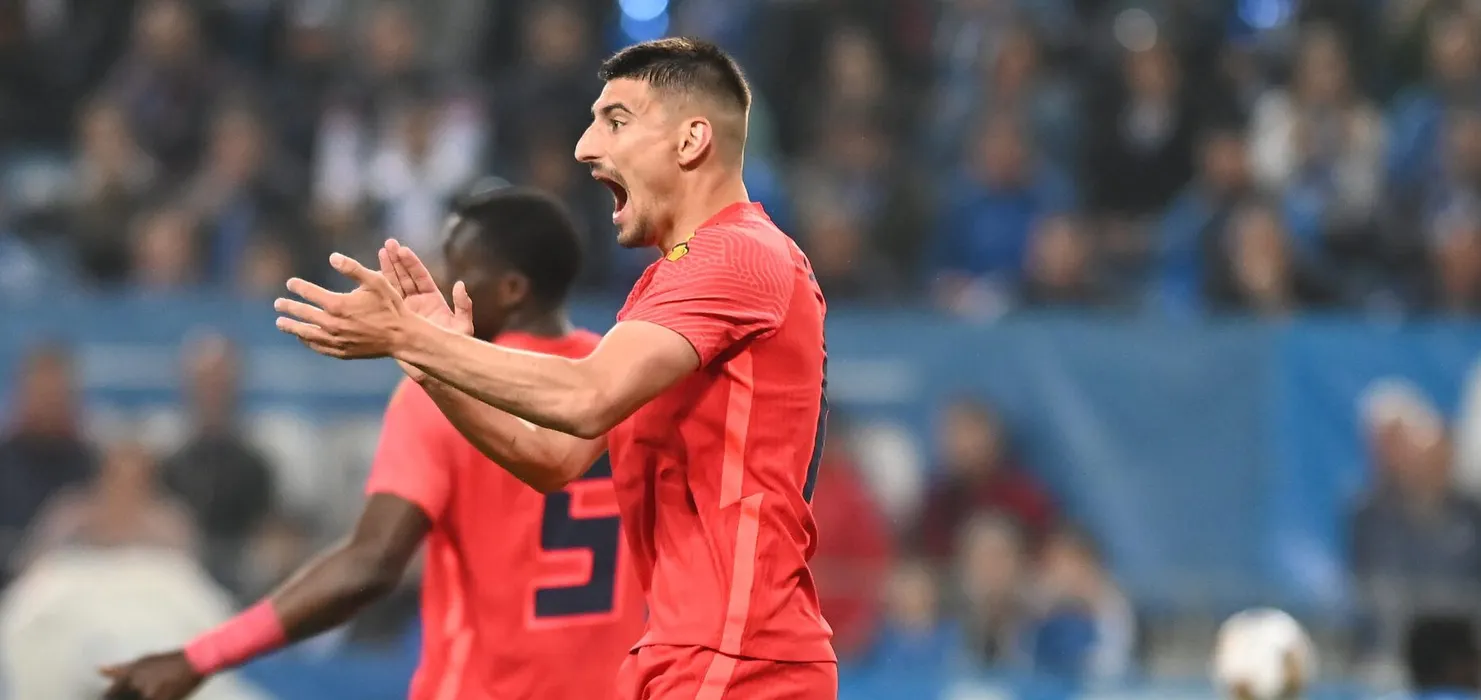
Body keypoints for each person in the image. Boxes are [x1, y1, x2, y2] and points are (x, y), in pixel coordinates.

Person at [274, 38, 838, 699]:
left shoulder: (736, 257)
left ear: (690, 141)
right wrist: (428, 361)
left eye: (616, 122)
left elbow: (585, 396)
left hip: (740, 660)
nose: (584, 148)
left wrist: (413, 338)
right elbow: (552, 457)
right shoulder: (674, 285)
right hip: (689, 656)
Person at [101, 186, 646, 700]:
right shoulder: (624, 382)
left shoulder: (440, 393)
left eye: (455, 269)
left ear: (510, 290)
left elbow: (371, 564)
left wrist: (200, 656)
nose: (435, 282)